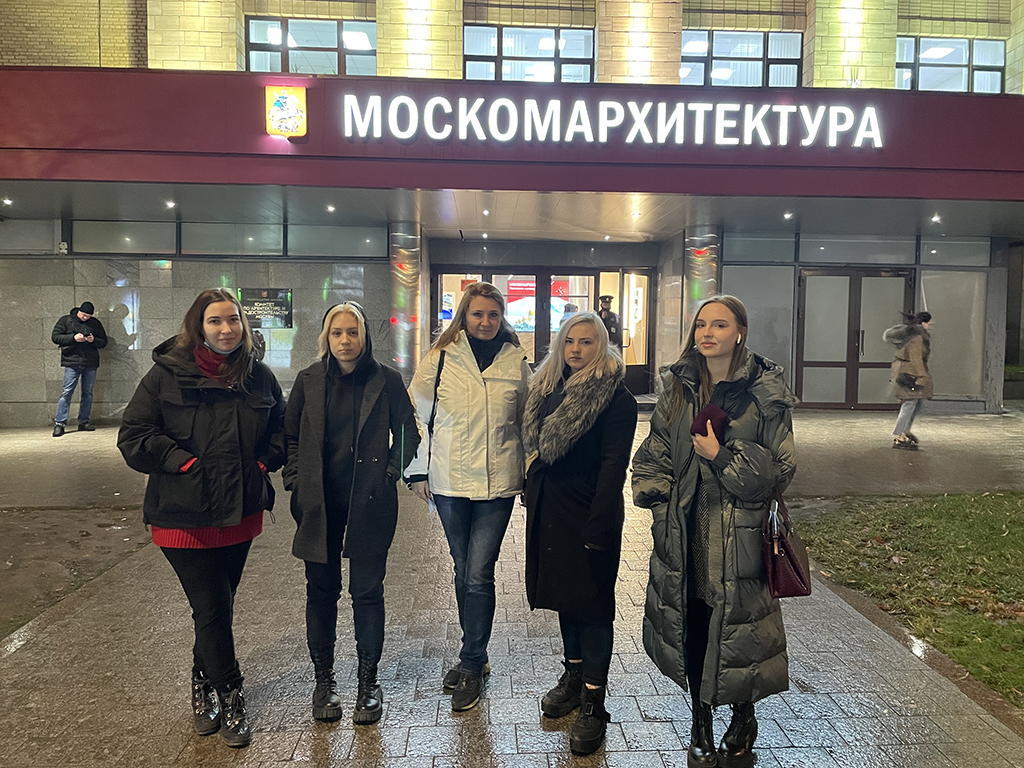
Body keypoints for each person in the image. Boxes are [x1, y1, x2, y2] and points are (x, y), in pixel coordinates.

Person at [631, 295, 797, 768]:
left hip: (740, 532)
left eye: (719, 325)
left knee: (741, 627)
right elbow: (654, 453)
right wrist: (660, 506)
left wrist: (721, 456)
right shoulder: (679, 386)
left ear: (740, 332)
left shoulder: (764, 390)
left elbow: (781, 470)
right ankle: (700, 721)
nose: (707, 333)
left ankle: (743, 717)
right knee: (695, 621)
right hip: (685, 529)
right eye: (701, 324)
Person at [117, 288, 286, 749]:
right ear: (199, 326)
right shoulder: (166, 375)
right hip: (182, 515)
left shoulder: (259, 377)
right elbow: (134, 435)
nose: (226, 329)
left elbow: (281, 430)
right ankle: (231, 695)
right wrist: (183, 463)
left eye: (233, 320)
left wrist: (262, 463)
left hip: (240, 512)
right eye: (215, 321)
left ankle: (201, 679)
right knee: (211, 607)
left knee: (216, 608)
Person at [283, 302, 421, 725]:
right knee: (321, 592)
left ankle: (367, 681)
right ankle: (324, 681)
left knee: (367, 592)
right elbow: (290, 436)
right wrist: (296, 479)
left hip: (370, 500)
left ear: (365, 336)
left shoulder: (386, 379)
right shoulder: (308, 380)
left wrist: (391, 472)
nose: (345, 340)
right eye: (337, 332)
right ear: (326, 337)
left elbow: (408, 432)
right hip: (319, 502)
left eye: (353, 332)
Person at [406, 281, 531, 712]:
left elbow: (527, 421)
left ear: (501, 318)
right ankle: (473, 650)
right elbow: (416, 415)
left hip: (498, 484)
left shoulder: (516, 360)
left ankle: (472, 661)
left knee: (479, 572)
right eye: (478, 313)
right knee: (463, 569)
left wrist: (531, 472)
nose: (485, 321)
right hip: (449, 481)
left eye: (493, 314)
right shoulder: (441, 356)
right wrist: (416, 470)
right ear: (464, 315)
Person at [522, 312, 637, 756]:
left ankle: (593, 701)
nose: (576, 349)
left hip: (590, 509)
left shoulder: (615, 397)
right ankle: (573, 676)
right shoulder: (547, 387)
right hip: (551, 508)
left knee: (593, 606)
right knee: (565, 597)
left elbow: (613, 466)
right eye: (570, 341)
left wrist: (600, 522)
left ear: (602, 345)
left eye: (587, 342)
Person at [51, 301, 108, 436]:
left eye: (88, 316)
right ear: (79, 311)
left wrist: (93, 340)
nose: (85, 318)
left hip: (90, 362)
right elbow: (55, 337)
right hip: (72, 361)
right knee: (67, 392)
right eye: (83, 315)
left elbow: (103, 342)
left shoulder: (95, 323)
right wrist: (73, 338)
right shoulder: (66, 320)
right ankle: (60, 423)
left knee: (87, 393)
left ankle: (84, 421)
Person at [883, 311, 933, 451]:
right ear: (923, 323)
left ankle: (905, 431)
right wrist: (923, 375)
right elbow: (916, 358)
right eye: (929, 322)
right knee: (909, 403)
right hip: (909, 372)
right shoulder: (917, 337)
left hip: (903, 370)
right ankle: (900, 436)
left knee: (916, 403)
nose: (930, 325)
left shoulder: (909, 335)